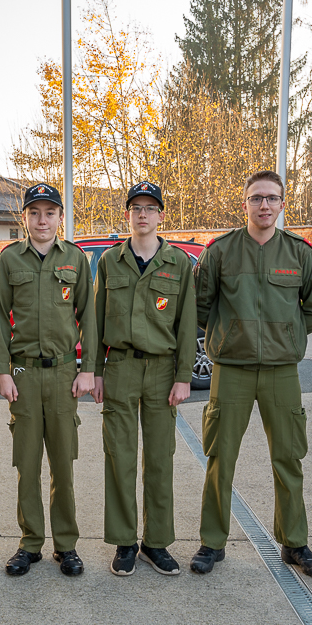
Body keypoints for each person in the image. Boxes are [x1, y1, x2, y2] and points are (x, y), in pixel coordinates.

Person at [191, 170, 312, 577]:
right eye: (256, 198)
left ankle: (295, 542)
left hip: (281, 371)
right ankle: (211, 542)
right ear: (245, 205)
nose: (264, 205)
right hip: (231, 370)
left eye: (271, 198)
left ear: (282, 204)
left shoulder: (299, 253)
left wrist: (287, 336)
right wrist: (227, 334)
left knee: (288, 457)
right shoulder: (220, 252)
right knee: (220, 457)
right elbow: (200, 306)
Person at [91, 181, 197, 576]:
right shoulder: (110, 261)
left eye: (150, 208)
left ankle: (156, 542)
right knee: (119, 456)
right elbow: (95, 320)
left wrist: (183, 376)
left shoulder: (178, 262)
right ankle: (124, 541)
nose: (142, 214)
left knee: (159, 458)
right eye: (136, 207)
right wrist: (95, 371)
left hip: (162, 371)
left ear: (160, 216)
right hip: (120, 367)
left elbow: (187, 323)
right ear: (128, 214)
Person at [0, 183, 97, 577]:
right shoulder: (9, 259)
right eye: (34, 212)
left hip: (64, 375)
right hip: (23, 375)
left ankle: (66, 545)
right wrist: (2, 370)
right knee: (27, 463)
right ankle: (30, 543)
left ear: (60, 217)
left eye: (49, 213)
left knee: (63, 465)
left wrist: (88, 369)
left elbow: (88, 315)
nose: (41, 220)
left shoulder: (75, 258)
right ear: (24, 217)